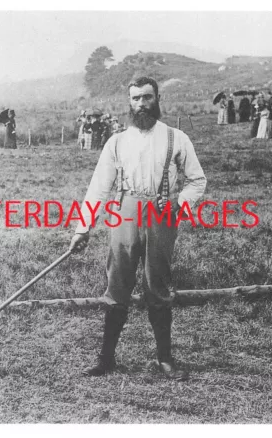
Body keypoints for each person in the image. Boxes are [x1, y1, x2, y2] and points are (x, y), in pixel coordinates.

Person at [69, 77, 207, 379]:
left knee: (156, 285)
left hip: (161, 215)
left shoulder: (176, 138)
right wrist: (83, 227)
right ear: (128, 102)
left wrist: (178, 203)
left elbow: (198, 180)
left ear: (157, 98)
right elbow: (98, 188)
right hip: (124, 211)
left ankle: (165, 358)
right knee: (117, 283)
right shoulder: (117, 141)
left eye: (146, 97)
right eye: (135, 99)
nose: (141, 104)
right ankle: (106, 359)